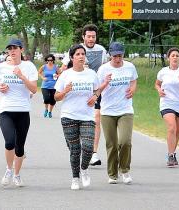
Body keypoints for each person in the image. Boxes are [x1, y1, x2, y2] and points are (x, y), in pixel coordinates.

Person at [0, 39, 38, 187]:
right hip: (6, 109)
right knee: (9, 141)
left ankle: (17, 174)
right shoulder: (1, 67)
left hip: (23, 110)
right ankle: (8, 169)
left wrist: (22, 76)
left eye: (15, 48)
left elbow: (34, 89)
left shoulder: (29, 67)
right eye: (9, 49)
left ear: (21, 50)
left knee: (20, 147)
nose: (12, 51)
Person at [54, 45, 100, 190]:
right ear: (72, 57)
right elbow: (56, 97)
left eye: (83, 54)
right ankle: (75, 178)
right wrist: (65, 91)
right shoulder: (65, 75)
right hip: (69, 116)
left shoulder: (91, 74)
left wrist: (95, 96)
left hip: (87, 116)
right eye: (78, 54)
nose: (81, 56)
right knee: (75, 150)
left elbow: (97, 89)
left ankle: (84, 168)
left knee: (87, 147)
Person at [61, 24, 107, 166]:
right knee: (76, 124)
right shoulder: (76, 49)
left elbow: (105, 67)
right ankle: (76, 148)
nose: (91, 39)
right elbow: (63, 68)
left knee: (96, 118)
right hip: (77, 90)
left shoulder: (102, 50)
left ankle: (93, 152)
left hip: (94, 89)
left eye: (93, 36)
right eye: (88, 36)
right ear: (83, 37)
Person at [97, 42, 138, 184]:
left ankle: (125, 170)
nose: (118, 58)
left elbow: (133, 81)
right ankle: (112, 174)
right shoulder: (103, 70)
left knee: (125, 141)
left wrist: (133, 89)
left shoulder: (130, 67)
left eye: (120, 55)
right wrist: (105, 83)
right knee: (112, 144)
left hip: (125, 110)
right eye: (115, 56)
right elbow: (97, 90)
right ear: (110, 55)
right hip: (108, 111)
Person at [155, 47, 179, 167]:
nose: (175, 57)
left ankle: (172, 152)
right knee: (172, 127)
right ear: (168, 58)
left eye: (177, 55)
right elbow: (157, 84)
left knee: (177, 131)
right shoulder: (163, 71)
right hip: (166, 103)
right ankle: (171, 156)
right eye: (173, 56)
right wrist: (159, 90)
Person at [39, 54, 60, 118]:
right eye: (48, 60)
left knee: (53, 100)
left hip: (54, 86)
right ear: (46, 60)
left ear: (53, 60)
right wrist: (43, 78)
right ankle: (46, 109)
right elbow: (39, 72)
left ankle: (50, 111)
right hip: (45, 85)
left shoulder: (55, 67)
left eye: (51, 60)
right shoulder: (44, 66)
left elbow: (60, 73)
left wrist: (57, 75)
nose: (49, 61)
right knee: (46, 99)